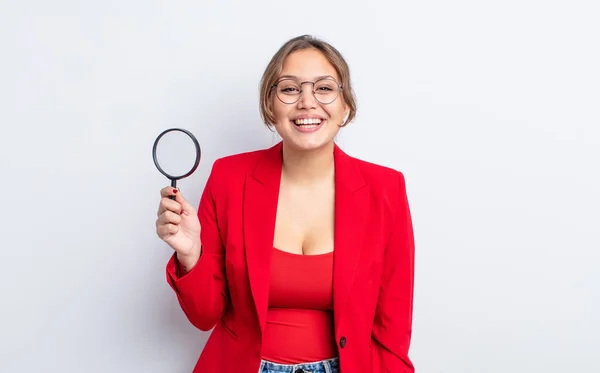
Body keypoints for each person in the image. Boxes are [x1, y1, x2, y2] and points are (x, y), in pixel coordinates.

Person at [155, 34, 416, 373]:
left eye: (324, 88)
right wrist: (190, 254)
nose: (307, 102)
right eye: (290, 89)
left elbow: (392, 331)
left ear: (346, 106)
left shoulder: (386, 188)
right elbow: (205, 317)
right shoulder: (229, 177)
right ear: (270, 106)